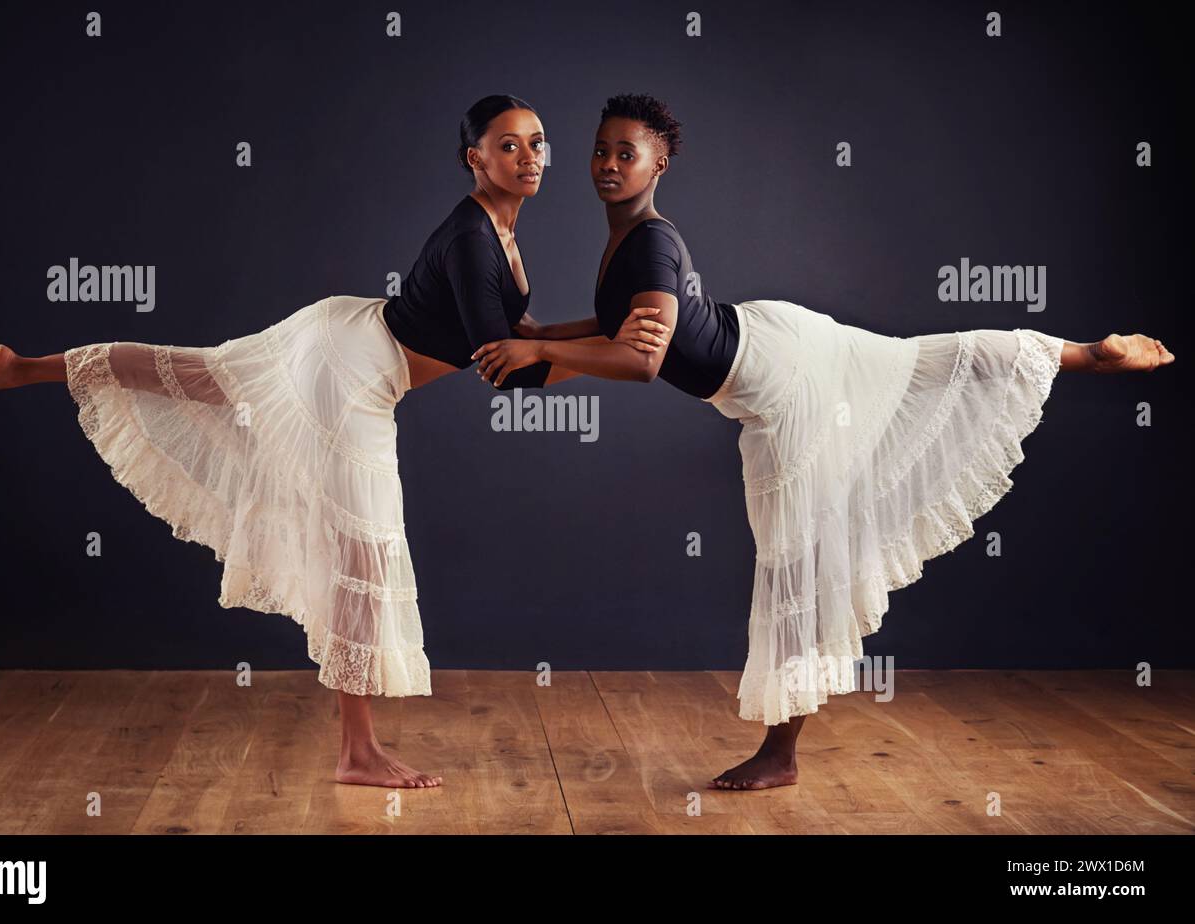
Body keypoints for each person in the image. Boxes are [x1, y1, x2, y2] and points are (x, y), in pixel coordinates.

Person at [0, 94, 647, 789]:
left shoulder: (500, 229)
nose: (529, 157)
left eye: (537, 142)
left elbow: (523, 337)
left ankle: (24, 366)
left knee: (201, 372)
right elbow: (504, 367)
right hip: (350, 373)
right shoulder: (470, 238)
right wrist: (618, 363)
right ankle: (357, 753)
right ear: (476, 158)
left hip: (348, 335)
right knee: (360, 543)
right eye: (509, 145)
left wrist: (611, 338)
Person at [472, 92, 1176, 791]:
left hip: (783, 388)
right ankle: (1084, 352)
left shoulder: (651, 240)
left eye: (627, 153)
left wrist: (538, 356)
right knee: (912, 359)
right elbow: (623, 325)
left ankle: (780, 755)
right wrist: (545, 337)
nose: (608, 164)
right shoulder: (631, 236)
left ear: (659, 164)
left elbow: (643, 361)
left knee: (797, 564)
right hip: (776, 336)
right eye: (601, 150)